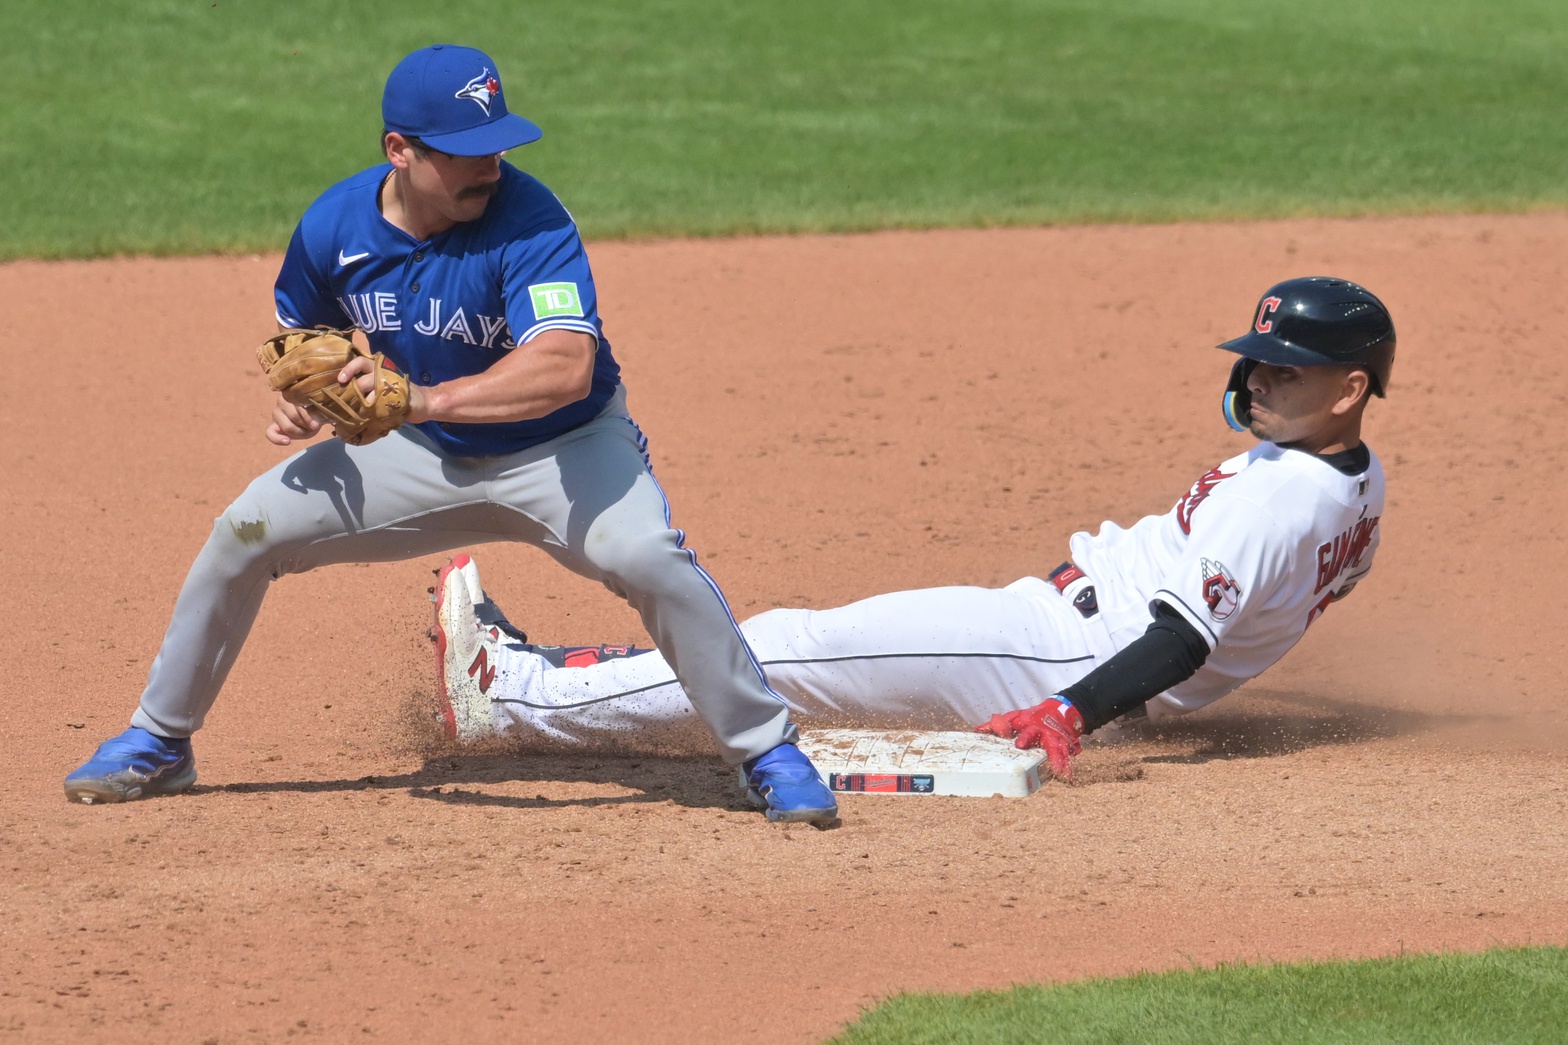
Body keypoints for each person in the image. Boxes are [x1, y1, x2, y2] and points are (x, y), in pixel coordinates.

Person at [64, 44, 837, 824]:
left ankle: (765, 749)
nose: (490, 166)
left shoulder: (530, 220)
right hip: (423, 453)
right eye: (466, 152)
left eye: (495, 144)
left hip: (564, 450)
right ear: (400, 150)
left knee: (646, 555)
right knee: (246, 529)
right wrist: (311, 404)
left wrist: (425, 399)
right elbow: (304, 342)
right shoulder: (334, 227)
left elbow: (566, 366)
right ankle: (161, 739)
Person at [428, 277, 1395, 780]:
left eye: (1287, 372)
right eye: (1256, 365)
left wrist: (1070, 711)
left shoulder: (1277, 498)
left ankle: (512, 697)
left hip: (1053, 654)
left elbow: (1185, 635)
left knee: (789, 649)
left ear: (1349, 389)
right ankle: (575, 675)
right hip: (1069, 640)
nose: (1260, 381)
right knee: (808, 656)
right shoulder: (1355, 483)